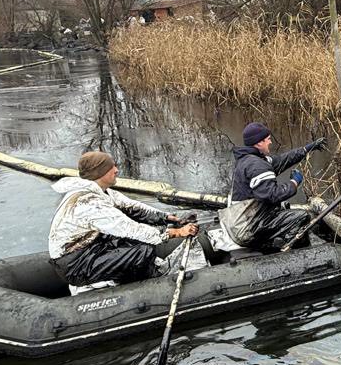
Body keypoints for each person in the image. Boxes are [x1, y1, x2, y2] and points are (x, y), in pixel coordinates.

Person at [48, 150, 201, 289]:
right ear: (100, 173)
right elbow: (130, 229)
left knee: (136, 238)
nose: (116, 170)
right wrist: (175, 233)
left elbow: (132, 207)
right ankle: (144, 286)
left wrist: (168, 218)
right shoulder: (89, 204)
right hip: (76, 265)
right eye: (111, 168)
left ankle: (134, 275)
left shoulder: (101, 192)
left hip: (90, 249)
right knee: (143, 251)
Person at [221, 122, 326, 251]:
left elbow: (283, 160)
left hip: (238, 223)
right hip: (245, 229)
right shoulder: (256, 166)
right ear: (259, 143)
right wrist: (294, 182)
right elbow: (274, 195)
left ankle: (272, 242)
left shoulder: (249, 159)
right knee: (301, 217)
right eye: (268, 139)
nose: (270, 142)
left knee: (283, 207)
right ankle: (281, 250)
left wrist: (308, 148)